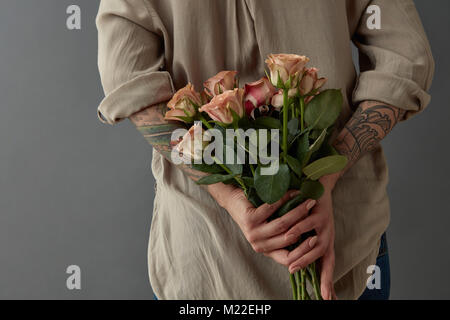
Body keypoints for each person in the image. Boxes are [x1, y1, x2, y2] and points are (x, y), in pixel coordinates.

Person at [96, 0, 434, 300]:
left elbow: (128, 78)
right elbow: (404, 58)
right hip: (243, 258)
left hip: (211, 261)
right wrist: (324, 175)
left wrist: (228, 193)